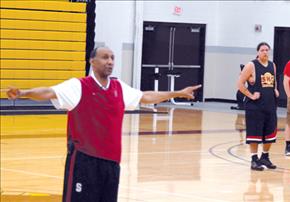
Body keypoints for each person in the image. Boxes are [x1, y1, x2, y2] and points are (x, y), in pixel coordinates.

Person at [6, 46, 201, 202]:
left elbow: (146, 96)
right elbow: (49, 92)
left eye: (112, 58)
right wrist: (24, 93)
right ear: (92, 61)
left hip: (112, 163)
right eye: (105, 57)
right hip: (84, 159)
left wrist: (176, 93)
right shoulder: (79, 86)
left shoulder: (119, 88)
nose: (110, 62)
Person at [237, 42, 279, 171]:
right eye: (262, 50)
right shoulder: (251, 65)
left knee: (270, 133)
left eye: (267, 50)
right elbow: (240, 83)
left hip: (270, 104)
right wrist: (250, 95)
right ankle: (254, 159)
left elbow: (274, 80)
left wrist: (276, 89)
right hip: (255, 106)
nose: (265, 52)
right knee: (254, 134)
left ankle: (265, 157)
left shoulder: (272, 65)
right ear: (258, 52)